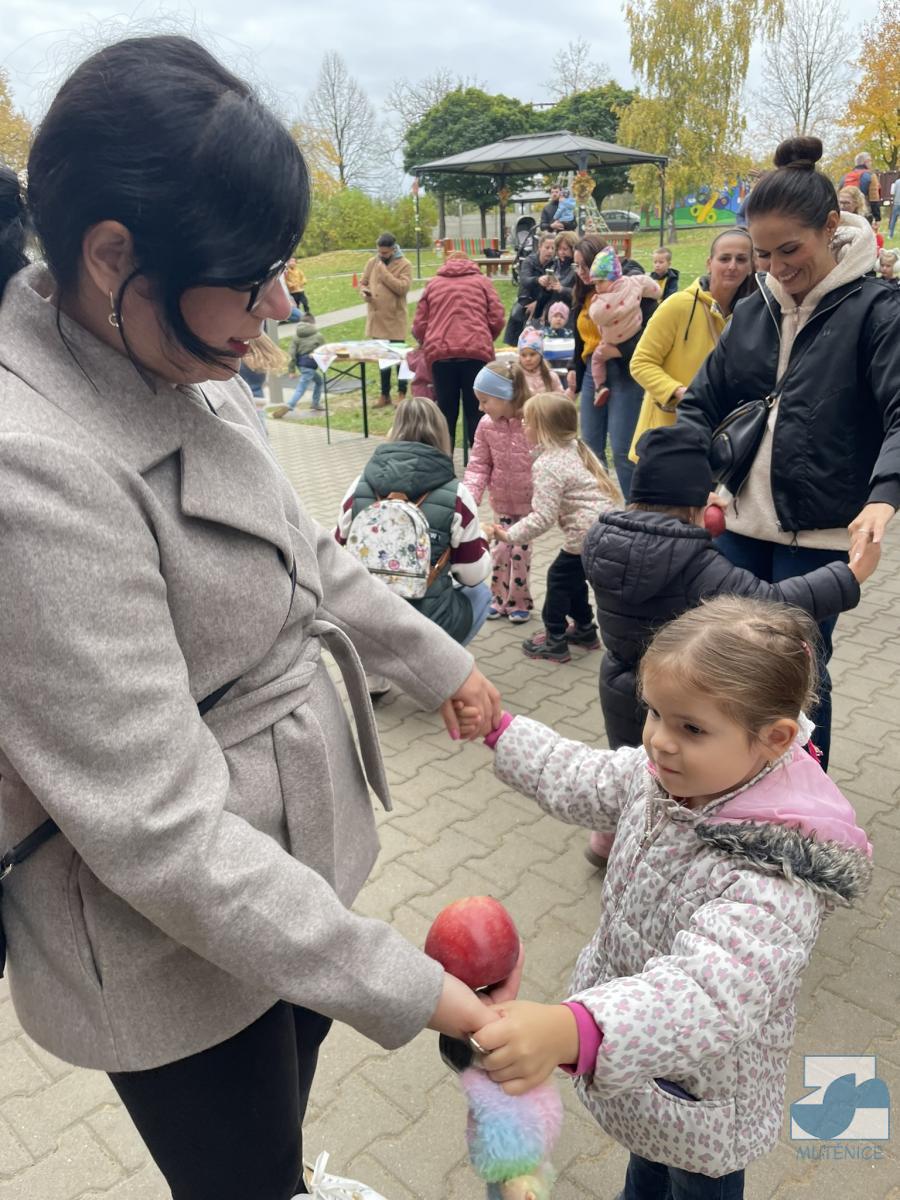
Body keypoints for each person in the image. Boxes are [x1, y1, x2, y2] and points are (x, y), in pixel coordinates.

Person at [0, 39, 509, 1200]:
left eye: (281, 267)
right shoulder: (31, 475)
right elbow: (160, 832)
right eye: (252, 275)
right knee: (239, 1164)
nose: (282, 306)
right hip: (164, 928)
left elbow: (305, 555)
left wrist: (436, 662)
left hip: (288, 855)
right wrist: (413, 988)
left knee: (292, 1079)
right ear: (113, 255)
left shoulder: (177, 351)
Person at [467, 595, 872, 1200]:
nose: (659, 741)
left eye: (691, 728)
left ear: (774, 738)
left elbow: (704, 992)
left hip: (703, 1094)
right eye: (655, 713)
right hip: (639, 1065)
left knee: (695, 1179)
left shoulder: (776, 876)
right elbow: (579, 775)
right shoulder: (665, 779)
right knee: (649, 1161)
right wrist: (501, 731)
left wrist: (574, 1028)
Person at [677, 135, 900, 770]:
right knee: (728, 662)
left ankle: (803, 804)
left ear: (830, 227)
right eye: (763, 253)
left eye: (790, 250)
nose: (775, 267)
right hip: (739, 524)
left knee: (797, 676)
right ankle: (741, 784)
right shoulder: (755, 310)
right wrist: (682, 482)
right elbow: (700, 401)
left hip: (821, 532)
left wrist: (884, 497)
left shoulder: (878, 311)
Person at [584, 424, 878, 757]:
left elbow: (655, 545)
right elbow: (770, 602)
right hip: (679, 702)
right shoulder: (696, 563)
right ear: (698, 507)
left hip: (622, 690)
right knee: (681, 780)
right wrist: (849, 576)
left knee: (638, 771)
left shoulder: (600, 540)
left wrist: (690, 512)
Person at [335, 397, 492, 646]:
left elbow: (335, 548)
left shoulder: (358, 485)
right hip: (427, 623)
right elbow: (471, 575)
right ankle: (444, 659)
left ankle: (375, 663)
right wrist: (482, 538)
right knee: (480, 593)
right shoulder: (457, 494)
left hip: (366, 618)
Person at [489, 391, 620, 663]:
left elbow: (542, 517)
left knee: (557, 579)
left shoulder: (548, 464)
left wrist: (509, 535)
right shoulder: (576, 447)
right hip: (604, 529)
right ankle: (584, 629)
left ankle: (555, 639)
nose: (523, 425)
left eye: (528, 422)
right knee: (572, 579)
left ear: (544, 428)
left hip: (585, 535)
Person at [629, 228, 756, 452]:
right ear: (709, 263)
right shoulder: (678, 305)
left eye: (741, 259)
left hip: (718, 440)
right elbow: (641, 363)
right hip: (666, 440)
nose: (732, 266)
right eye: (724, 258)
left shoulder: (751, 315)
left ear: (751, 266)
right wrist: (680, 393)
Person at [411, 250, 505, 449]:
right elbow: (497, 317)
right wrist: (485, 338)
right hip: (476, 353)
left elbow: (420, 323)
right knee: (477, 410)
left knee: (445, 412)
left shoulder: (433, 284)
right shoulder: (483, 282)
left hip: (441, 355)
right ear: (469, 262)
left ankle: (443, 461)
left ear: (447, 263)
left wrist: (426, 340)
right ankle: (478, 461)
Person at [464, 360, 535, 624]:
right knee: (500, 552)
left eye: (485, 401)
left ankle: (519, 601)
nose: (480, 407)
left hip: (530, 506)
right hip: (502, 503)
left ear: (506, 396)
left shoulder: (533, 422)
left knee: (520, 553)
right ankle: (497, 598)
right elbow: (479, 464)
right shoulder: (486, 425)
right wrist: (469, 498)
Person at [588, 247, 660, 405]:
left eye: (601, 282)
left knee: (597, 358)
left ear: (613, 278)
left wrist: (594, 302)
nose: (597, 287)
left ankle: (599, 386)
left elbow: (596, 315)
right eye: (595, 283)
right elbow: (652, 287)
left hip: (616, 343)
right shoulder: (634, 283)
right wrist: (656, 293)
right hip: (633, 329)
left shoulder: (606, 301)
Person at [360, 232, 412, 408]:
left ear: (393, 249)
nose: (381, 255)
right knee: (383, 359)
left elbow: (402, 288)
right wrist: (364, 292)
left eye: (385, 252)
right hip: (377, 319)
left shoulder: (404, 264)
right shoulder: (371, 262)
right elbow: (363, 282)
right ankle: (384, 395)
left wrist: (383, 272)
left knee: (399, 359)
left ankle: (402, 394)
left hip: (395, 319)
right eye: (379, 252)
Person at [504, 232, 559, 344]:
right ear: (540, 247)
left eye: (553, 248)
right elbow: (524, 280)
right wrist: (537, 280)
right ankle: (514, 343)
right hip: (527, 298)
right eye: (547, 247)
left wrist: (538, 303)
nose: (550, 251)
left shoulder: (556, 264)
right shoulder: (529, 261)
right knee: (517, 315)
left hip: (546, 302)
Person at [272, 311, 324, 416]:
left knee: (319, 381)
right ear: (313, 323)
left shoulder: (296, 336)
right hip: (310, 365)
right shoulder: (318, 336)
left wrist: (291, 370)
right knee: (302, 387)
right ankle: (290, 405)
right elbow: (323, 350)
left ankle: (315, 403)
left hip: (301, 365)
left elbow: (292, 354)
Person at [517, 327, 564, 396]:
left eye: (532, 354)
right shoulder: (516, 377)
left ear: (541, 355)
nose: (528, 359)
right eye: (523, 355)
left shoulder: (551, 376)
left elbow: (561, 399)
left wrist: (571, 390)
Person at [839, 151, 881, 221]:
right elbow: (874, 200)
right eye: (870, 161)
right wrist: (877, 218)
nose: (871, 163)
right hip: (863, 215)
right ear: (866, 161)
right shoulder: (871, 176)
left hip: (845, 215)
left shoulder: (845, 177)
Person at [542, 300, 575, 386]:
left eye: (562, 317)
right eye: (555, 316)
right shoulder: (543, 334)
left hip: (565, 371)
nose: (558, 319)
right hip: (548, 370)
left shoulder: (569, 334)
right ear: (550, 318)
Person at [889, 175, 900, 239]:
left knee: (893, 219)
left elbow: (892, 192)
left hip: (896, 203)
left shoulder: (896, 182)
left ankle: (890, 235)